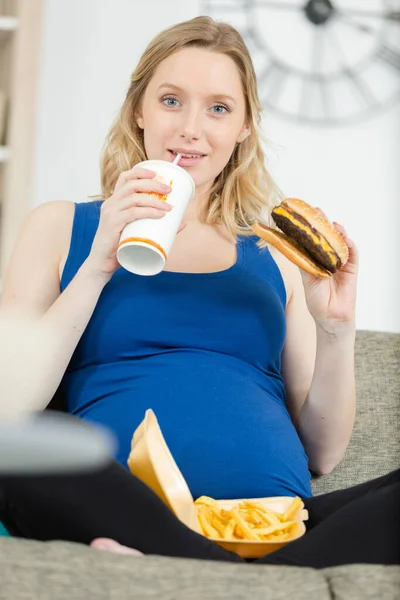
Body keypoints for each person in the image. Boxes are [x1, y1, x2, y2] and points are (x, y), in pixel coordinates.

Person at [0, 16, 398, 568]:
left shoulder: (277, 257)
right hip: (128, 509)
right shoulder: (60, 227)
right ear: (138, 110)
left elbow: (324, 456)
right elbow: (8, 406)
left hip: (280, 523)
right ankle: (246, 580)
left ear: (243, 130)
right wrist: (97, 265)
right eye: (170, 101)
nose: (192, 128)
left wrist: (336, 330)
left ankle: (205, 571)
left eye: (218, 108)